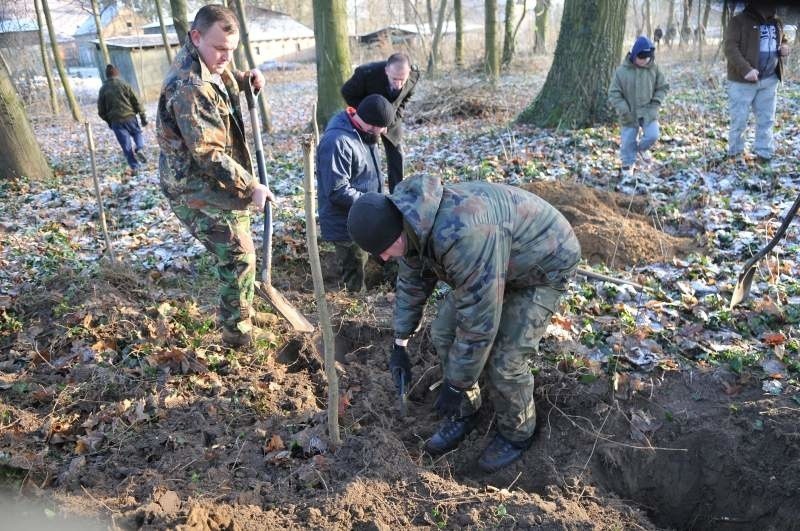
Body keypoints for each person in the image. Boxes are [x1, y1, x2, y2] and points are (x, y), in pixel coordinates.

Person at [347, 175, 581, 472]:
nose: (382, 258)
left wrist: (455, 384)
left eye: (382, 250)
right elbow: (412, 282)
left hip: (544, 263)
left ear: (396, 236)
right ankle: (464, 411)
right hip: (496, 261)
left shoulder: (462, 235)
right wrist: (400, 342)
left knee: (505, 360)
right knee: (442, 331)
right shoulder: (411, 221)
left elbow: (479, 325)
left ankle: (516, 434)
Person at [156, 5, 275, 348]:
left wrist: (244, 78)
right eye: (220, 49)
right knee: (238, 254)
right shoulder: (188, 87)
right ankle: (237, 336)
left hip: (210, 178)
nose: (225, 57)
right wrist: (251, 185)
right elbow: (208, 154)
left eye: (231, 50)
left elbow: (223, 76)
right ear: (196, 36)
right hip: (191, 185)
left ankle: (242, 308)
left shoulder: (208, 62)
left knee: (241, 240)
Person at [317, 94, 395, 293]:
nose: (385, 131)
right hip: (345, 225)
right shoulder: (337, 141)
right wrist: (375, 202)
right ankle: (355, 308)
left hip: (367, 215)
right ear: (370, 123)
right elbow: (337, 190)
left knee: (371, 260)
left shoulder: (366, 134)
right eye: (382, 126)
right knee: (354, 272)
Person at [341, 53, 419, 193]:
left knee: (397, 155)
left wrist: (388, 122)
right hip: (367, 122)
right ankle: (372, 193)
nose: (398, 84)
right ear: (386, 71)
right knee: (369, 156)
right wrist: (367, 114)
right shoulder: (366, 73)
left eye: (402, 79)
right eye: (394, 79)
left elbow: (405, 99)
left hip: (393, 120)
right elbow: (347, 92)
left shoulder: (414, 77)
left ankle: (397, 194)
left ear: (409, 72)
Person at [723, 2, 789, 164]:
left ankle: (764, 154)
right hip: (742, 81)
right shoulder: (738, 21)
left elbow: (783, 40)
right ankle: (735, 154)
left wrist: (784, 47)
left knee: (766, 119)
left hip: (769, 79)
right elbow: (730, 47)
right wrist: (746, 70)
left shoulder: (776, 21)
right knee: (739, 118)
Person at [608, 36, 669, 177]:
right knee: (628, 141)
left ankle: (641, 149)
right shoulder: (621, 72)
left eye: (648, 58)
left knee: (653, 135)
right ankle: (627, 167)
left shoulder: (654, 69)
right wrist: (623, 109)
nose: (645, 61)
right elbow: (614, 93)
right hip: (629, 113)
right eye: (641, 58)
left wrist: (655, 104)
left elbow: (663, 87)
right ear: (634, 55)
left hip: (648, 111)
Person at [97, 64, 147, 175]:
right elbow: (136, 101)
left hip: (116, 121)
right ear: (117, 73)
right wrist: (142, 116)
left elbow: (101, 111)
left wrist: (110, 122)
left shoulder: (103, 89)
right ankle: (139, 148)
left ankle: (135, 167)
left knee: (126, 145)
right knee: (137, 133)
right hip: (130, 117)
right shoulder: (124, 85)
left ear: (107, 75)